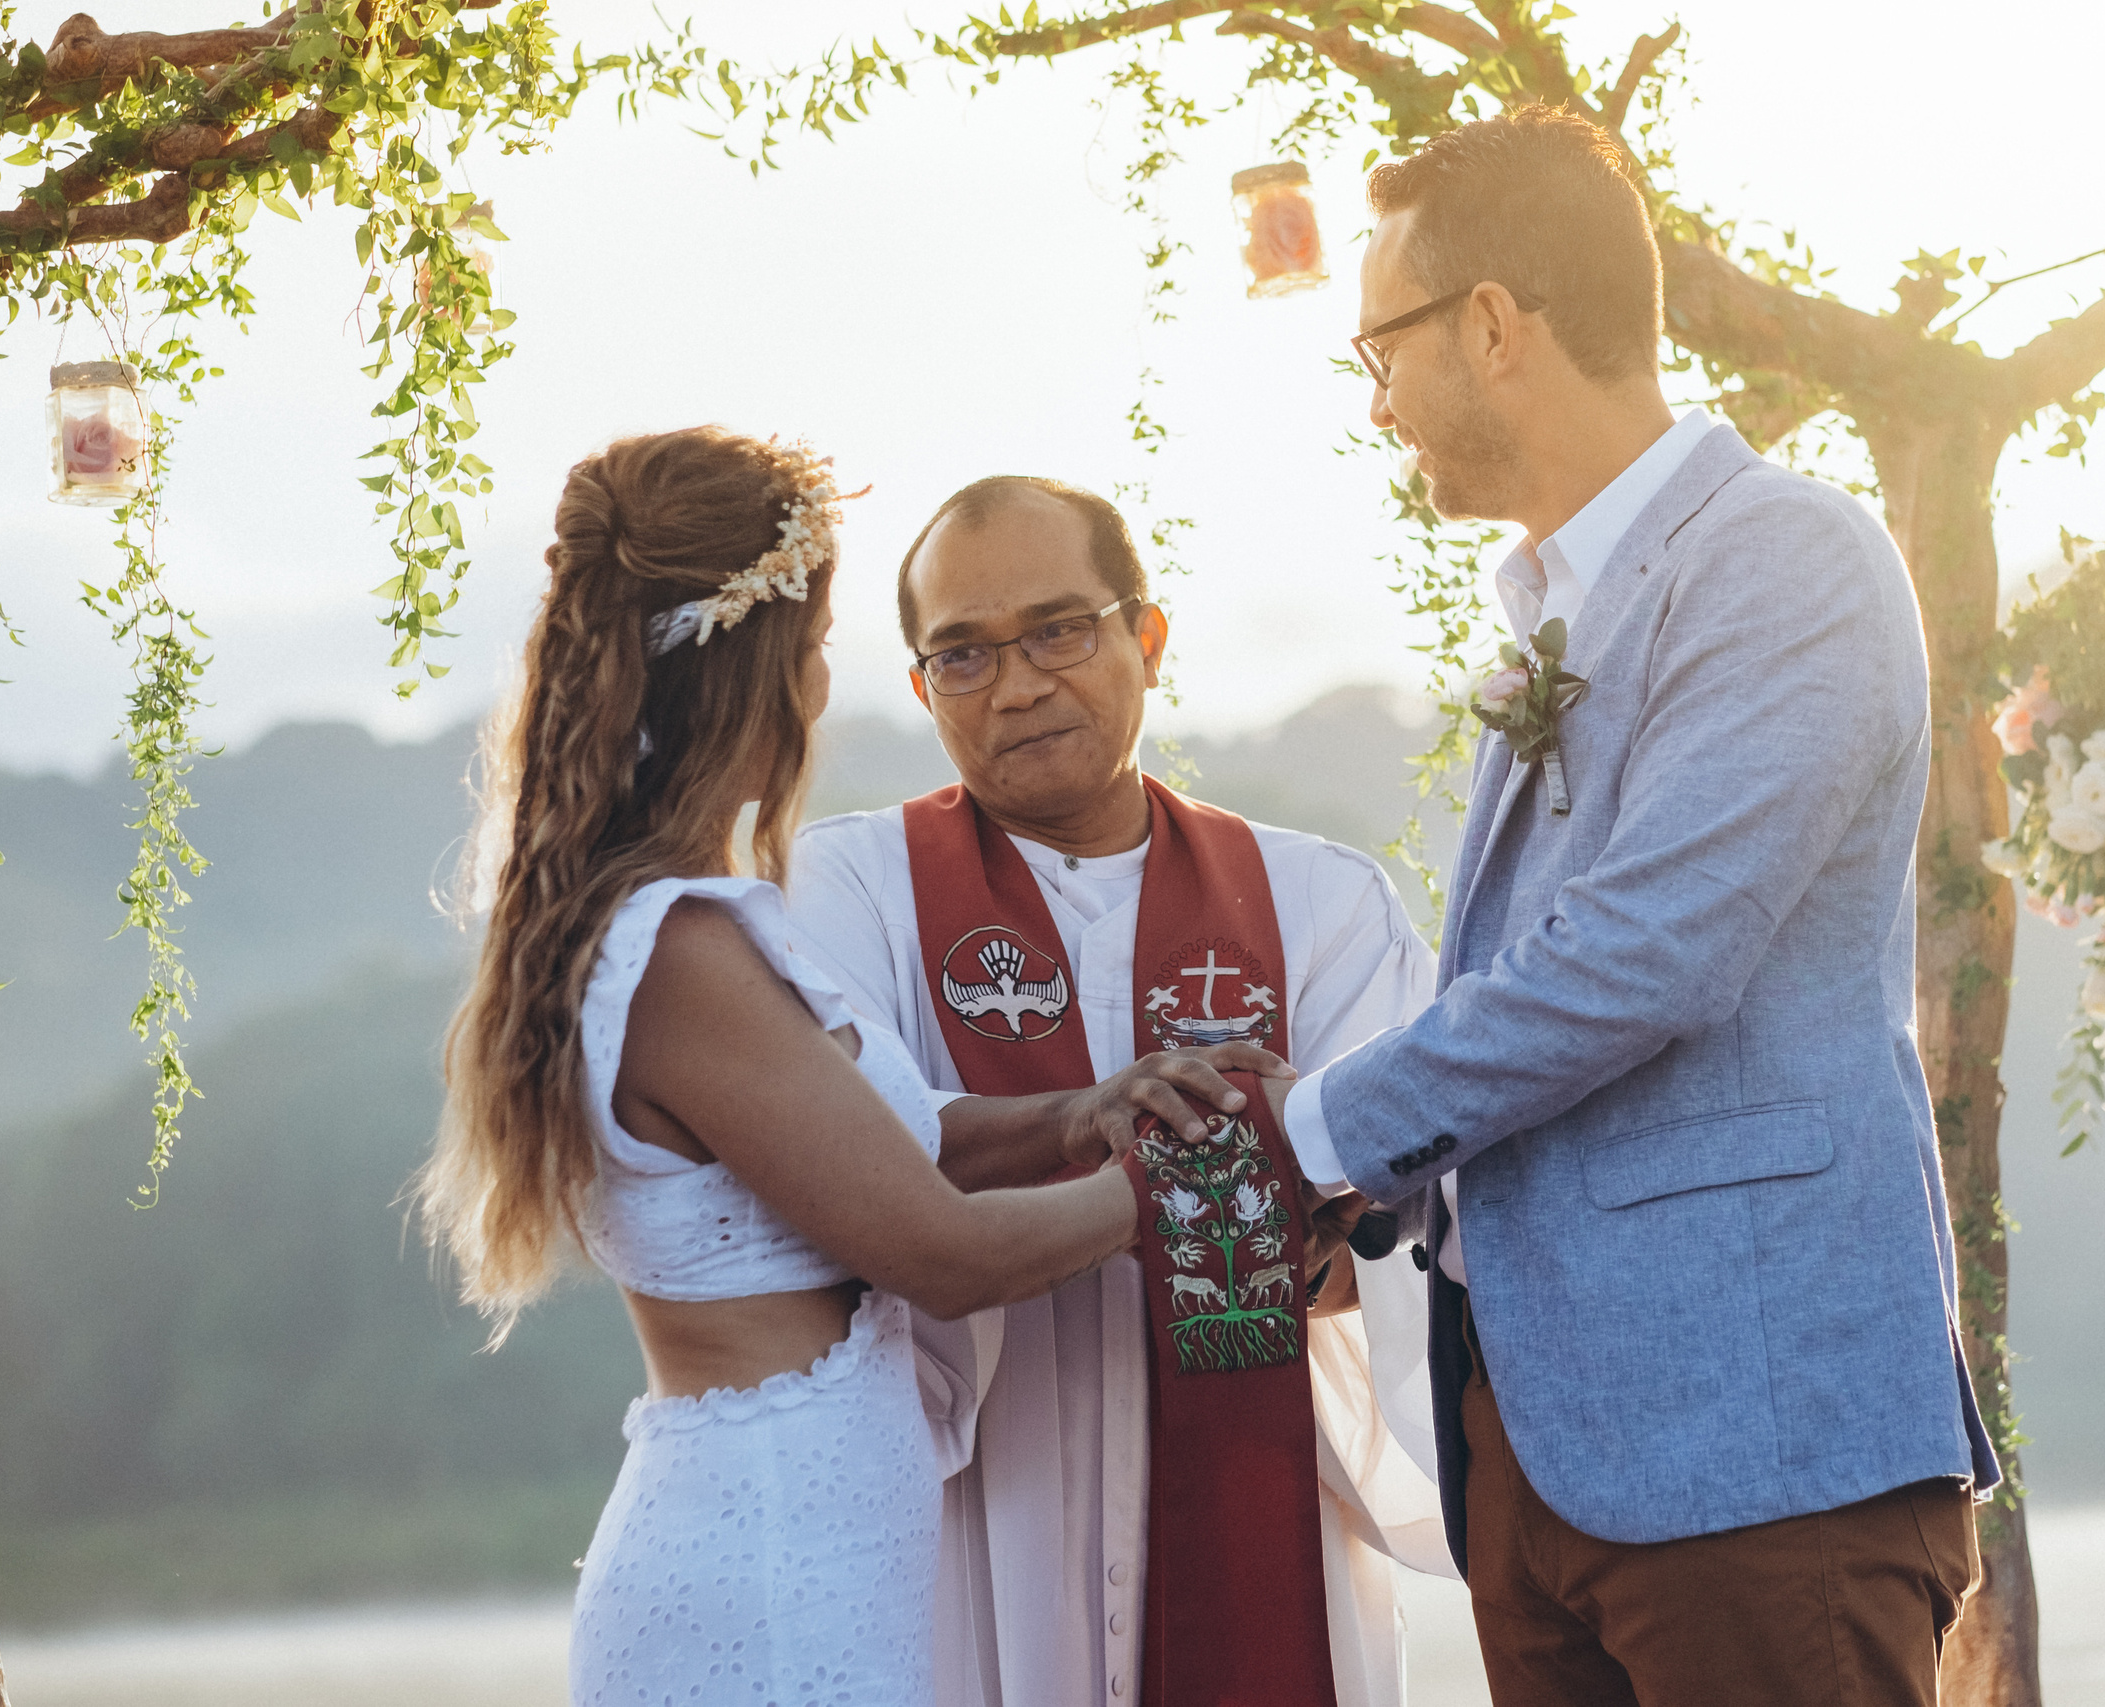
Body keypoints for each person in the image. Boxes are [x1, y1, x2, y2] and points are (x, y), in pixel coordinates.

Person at [1270, 108, 2006, 1706]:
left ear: (1490, 325)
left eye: (1377, 350)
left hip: (1756, 1443)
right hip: (1538, 1446)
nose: (1377, 401)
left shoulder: (1788, 560)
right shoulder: (1555, 601)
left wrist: (1316, 1132)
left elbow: (1643, 955)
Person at [417, 429, 1203, 1705]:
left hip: (812, 1533)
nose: (827, 683)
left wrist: (1088, 1112)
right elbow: (944, 1254)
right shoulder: (679, 956)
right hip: (770, 1559)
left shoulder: (684, 920)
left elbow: (891, 1152)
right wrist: (1223, 1167)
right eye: (820, 644)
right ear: (757, 669)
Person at [787, 474, 1452, 1707]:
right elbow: (849, 1157)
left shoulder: (1321, 906)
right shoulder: (855, 888)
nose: (1022, 683)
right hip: (977, 1507)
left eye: (1057, 630)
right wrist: (1199, 1152)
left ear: (1145, 636)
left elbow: (1419, 1207)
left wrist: (1326, 1237)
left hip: (1273, 1506)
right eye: (966, 656)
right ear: (925, 691)